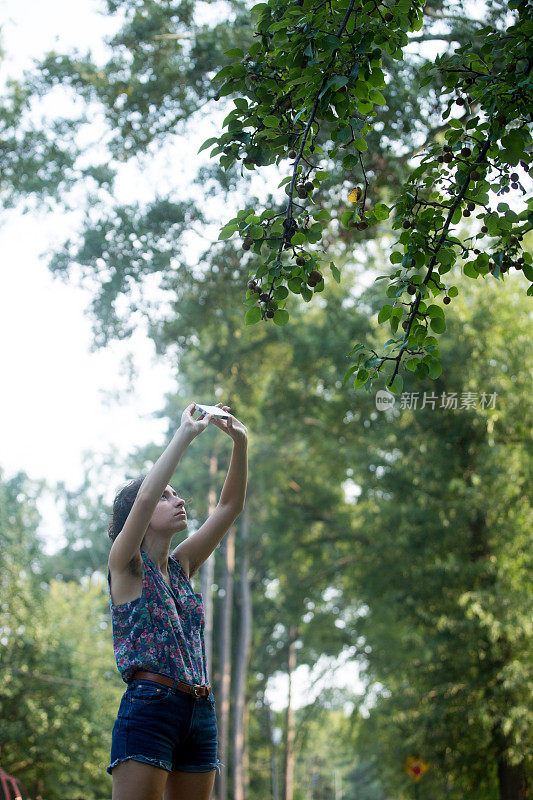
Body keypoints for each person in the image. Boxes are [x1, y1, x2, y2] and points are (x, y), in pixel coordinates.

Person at [105, 401, 248, 800]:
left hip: (199, 711)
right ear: (143, 513)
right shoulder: (125, 564)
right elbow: (146, 496)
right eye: (168, 497)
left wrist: (241, 442)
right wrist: (185, 433)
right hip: (149, 708)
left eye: (177, 495)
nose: (179, 501)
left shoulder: (182, 565)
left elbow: (229, 506)